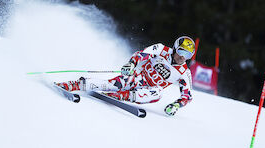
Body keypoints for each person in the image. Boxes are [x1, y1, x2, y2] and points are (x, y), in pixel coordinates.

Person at [56, 36, 195, 116]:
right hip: (138, 78)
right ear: (176, 48)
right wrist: (131, 65)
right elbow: (141, 54)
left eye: (188, 55)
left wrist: (177, 104)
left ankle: (121, 96)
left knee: (158, 93)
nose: (183, 57)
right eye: (182, 52)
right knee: (113, 84)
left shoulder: (184, 72)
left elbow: (187, 95)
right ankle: (75, 84)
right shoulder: (161, 49)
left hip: (149, 90)